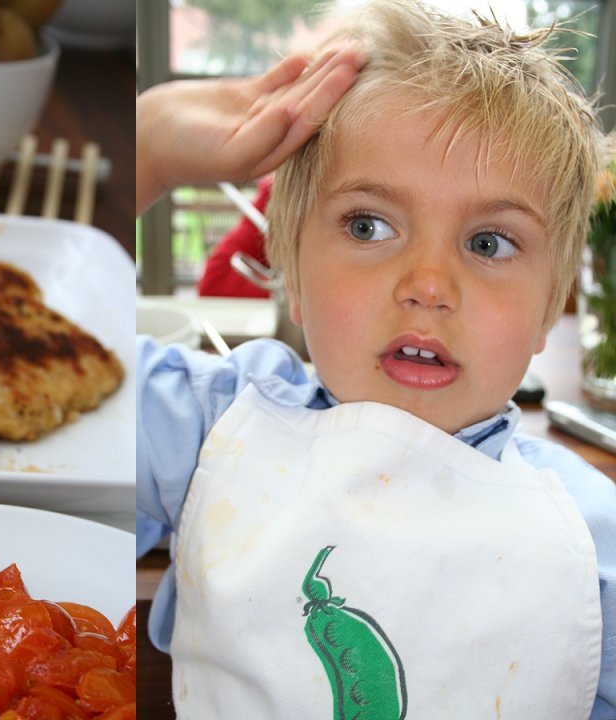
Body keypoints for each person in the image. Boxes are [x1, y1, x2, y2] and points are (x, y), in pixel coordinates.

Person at [136, 1, 616, 716]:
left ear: (551, 310)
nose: (427, 285)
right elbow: (51, 368)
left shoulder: (592, 540)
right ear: (291, 273)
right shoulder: (210, 427)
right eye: (369, 225)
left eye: (488, 242)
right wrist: (150, 140)